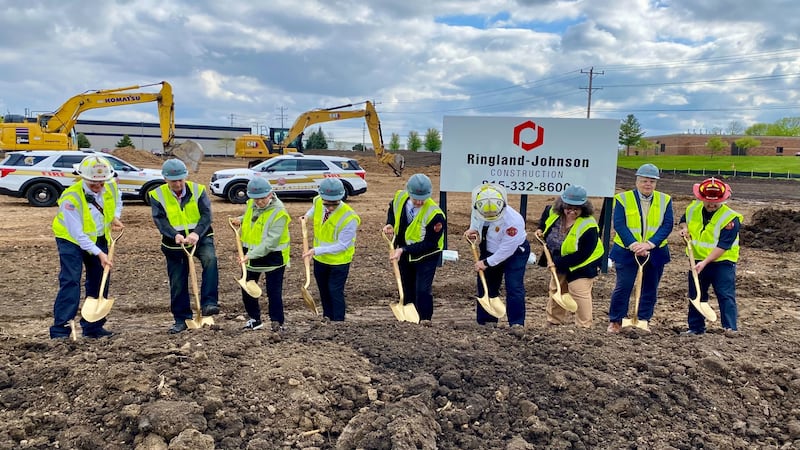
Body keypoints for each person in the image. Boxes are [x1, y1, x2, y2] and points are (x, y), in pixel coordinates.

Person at [50, 155, 124, 339]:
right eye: (93, 183)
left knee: (100, 280)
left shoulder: (111, 186)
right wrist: (100, 254)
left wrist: (115, 216)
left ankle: (93, 327)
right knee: (71, 280)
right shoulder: (71, 198)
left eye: (102, 183)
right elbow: (78, 233)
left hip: (99, 237)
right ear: (83, 178)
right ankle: (61, 330)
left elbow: (117, 201)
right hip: (70, 240)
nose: (99, 187)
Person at [150, 159, 220, 334]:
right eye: (174, 181)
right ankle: (181, 319)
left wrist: (196, 233)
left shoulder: (198, 190)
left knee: (210, 260)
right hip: (174, 242)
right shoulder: (157, 195)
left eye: (181, 179)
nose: (178, 184)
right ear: (166, 179)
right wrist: (175, 235)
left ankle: (209, 304)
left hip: (200, 236)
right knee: (177, 280)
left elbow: (206, 215)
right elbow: (160, 220)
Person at [607, 163, 674, 333]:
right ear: (637, 181)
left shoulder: (665, 200)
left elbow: (667, 225)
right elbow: (620, 225)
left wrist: (650, 244)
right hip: (627, 251)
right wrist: (634, 245)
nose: (648, 184)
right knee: (624, 286)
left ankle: (643, 319)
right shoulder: (623, 199)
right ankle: (616, 320)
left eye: (652, 181)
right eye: (644, 181)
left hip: (655, 251)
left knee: (650, 288)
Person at [678, 177, 742, 335]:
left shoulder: (730, 219)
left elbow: (723, 246)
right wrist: (684, 229)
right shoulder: (693, 208)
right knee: (696, 294)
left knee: (725, 294)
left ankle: (730, 328)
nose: (711, 205)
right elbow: (683, 220)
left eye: (715, 203)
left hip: (722, 262)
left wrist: (705, 262)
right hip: (697, 260)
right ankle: (696, 327)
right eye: (708, 202)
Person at [535, 185, 604, 329]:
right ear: (562, 206)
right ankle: (553, 321)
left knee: (579, 291)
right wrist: (540, 229)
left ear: (583, 208)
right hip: (558, 257)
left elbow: (583, 254)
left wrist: (558, 263)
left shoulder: (589, 225)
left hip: (584, 263)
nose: (572, 212)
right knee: (557, 289)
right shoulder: (552, 212)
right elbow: (545, 219)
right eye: (568, 208)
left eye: (576, 209)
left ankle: (584, 326)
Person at [382, 174, 446, 324]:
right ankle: (408, 320)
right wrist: (390, 223)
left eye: (422, 199)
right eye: (415, 198)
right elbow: (392, 208)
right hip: (404, 253)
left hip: (427, 255)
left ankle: (424, 319)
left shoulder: (435, 215)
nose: (418, 202)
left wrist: (403, 249)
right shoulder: (400, 197)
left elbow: (430, 243)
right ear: (409, 192)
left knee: (422, 290)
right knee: (406, 287)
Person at [464, 183, 531, 328]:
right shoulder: (479, 206)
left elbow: (506, 250)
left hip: (515, 253)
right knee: (487, 284)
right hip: (489, 249)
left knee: (514, 286)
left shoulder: (513, 221)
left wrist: (486, 263)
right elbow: (476, 221)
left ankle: (516, 323)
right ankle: (487, 321)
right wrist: (473, 230)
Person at [230, 177, 291, 332]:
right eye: (256, 199)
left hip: (273, 257)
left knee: (273, 292)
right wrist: (240, 220)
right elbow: (252, 217)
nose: (259, 202)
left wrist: (250, 255)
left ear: (270, 194)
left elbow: (271, 242)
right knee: (247, 288)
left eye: (262, 198)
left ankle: (278, 322)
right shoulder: (252, 203)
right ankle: (254, 319)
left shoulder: (280, 213)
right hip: (250, 254)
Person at [301, 178, 361, 322]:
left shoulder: (349, 217)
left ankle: (339, 322)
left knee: (335, 291)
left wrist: (316, 250)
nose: (330, 208)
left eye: (334, 204)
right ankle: (327, 318)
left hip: (339, 262)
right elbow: (315, 207)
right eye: (327, 204)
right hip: (320, 260)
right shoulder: (318, 201)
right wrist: (307, 216)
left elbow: (343, 245)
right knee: (323, 291)